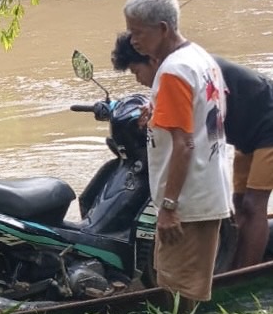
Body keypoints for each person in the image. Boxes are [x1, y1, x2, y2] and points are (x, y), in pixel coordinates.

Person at [112, 31, 273, 268]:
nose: (138, 79)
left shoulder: (185, 69)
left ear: (152, 60)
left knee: (253, 204)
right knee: (239, 202)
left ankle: (244, 274)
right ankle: (235, 266)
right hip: (247, 133)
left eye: (137, 71)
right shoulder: (176, 70)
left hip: (268, 125)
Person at [123, 0, 231, 307]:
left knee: (178, 288)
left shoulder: (172, 71)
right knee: (188, 282)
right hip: (208, 188)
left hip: (187, 199)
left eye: (137, 32)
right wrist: (155, 111)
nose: (133, 41)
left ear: (163, 29)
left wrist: (169, 207)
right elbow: (197, 120)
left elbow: (184, 144)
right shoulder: (198, 58)